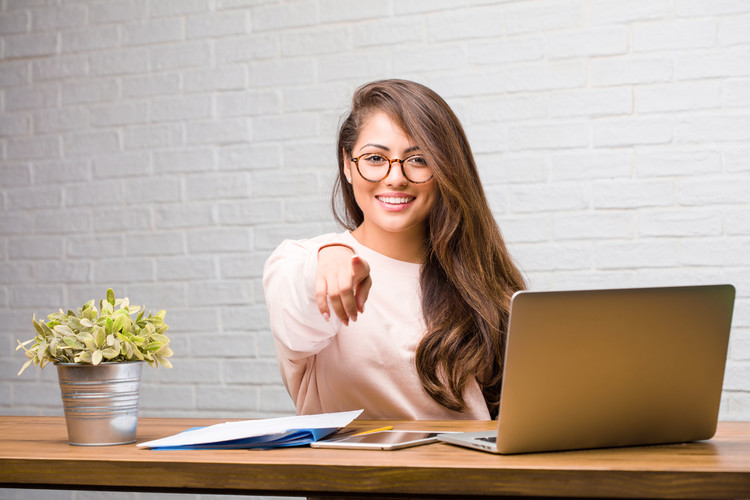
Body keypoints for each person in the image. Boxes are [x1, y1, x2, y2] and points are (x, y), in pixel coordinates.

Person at [263, 79, 526, 420]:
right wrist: (328, 256)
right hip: (354, 472)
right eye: (375, 158)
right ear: (347, 163)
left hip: (471, 470)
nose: (395, 177)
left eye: (418, 159)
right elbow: (298, 302)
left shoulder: (476, 276)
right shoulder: (299, 262)